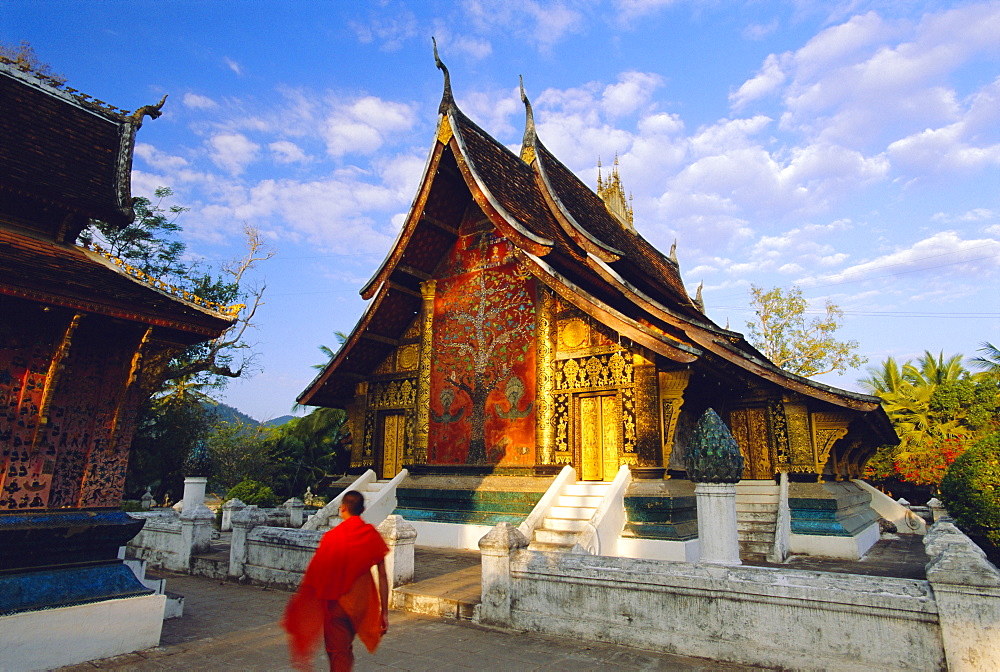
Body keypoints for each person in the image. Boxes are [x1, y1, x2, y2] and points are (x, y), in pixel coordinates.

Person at [282, 490, 390, 671]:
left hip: (337, 604)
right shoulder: (370, 534)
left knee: (338, 653)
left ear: (342, 508)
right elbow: (383, 576)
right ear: (362, 509)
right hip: (360, 605)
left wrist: (303, 601)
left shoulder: (332, 537)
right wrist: (384, 612)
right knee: (344, 648)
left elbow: (316, 574)